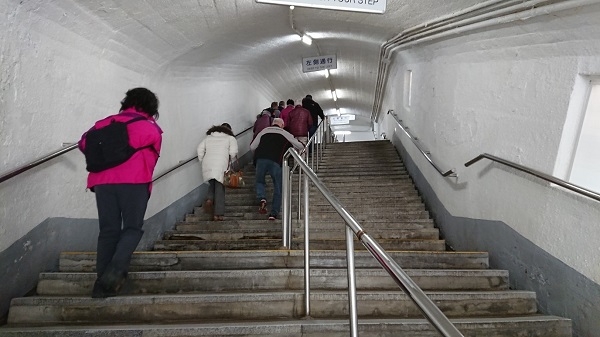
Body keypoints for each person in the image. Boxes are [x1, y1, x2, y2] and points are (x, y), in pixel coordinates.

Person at [78, 87, 163, 298]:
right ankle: (114, 273)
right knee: (132, 228)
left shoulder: (104, 123)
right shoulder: (149, 127)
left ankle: (100, 285)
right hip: (134, 182)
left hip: (103, 183)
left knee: (108, 230)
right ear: (151, 107)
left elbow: (83, 143)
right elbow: (154, 148)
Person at [251, 118, 304, 220]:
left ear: (272, 124)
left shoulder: (264, 131)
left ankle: (262, 197)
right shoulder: (285, 133)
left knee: (259, 181)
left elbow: (252, 147)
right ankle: (273, 213)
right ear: (282, 125)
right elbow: (299, 145)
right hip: (276, 161)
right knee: (278, 187)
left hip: (261, 159)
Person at [197, 123, 238, 221]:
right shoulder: (230, 138)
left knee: (213, 183)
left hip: (208, 163)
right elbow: (233, 152)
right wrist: (229, 159)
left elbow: (199, 150)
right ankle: (218, 214)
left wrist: (202, 160)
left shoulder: (208, 138)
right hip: (221, 164)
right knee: (220, 188)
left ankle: (210, 198)